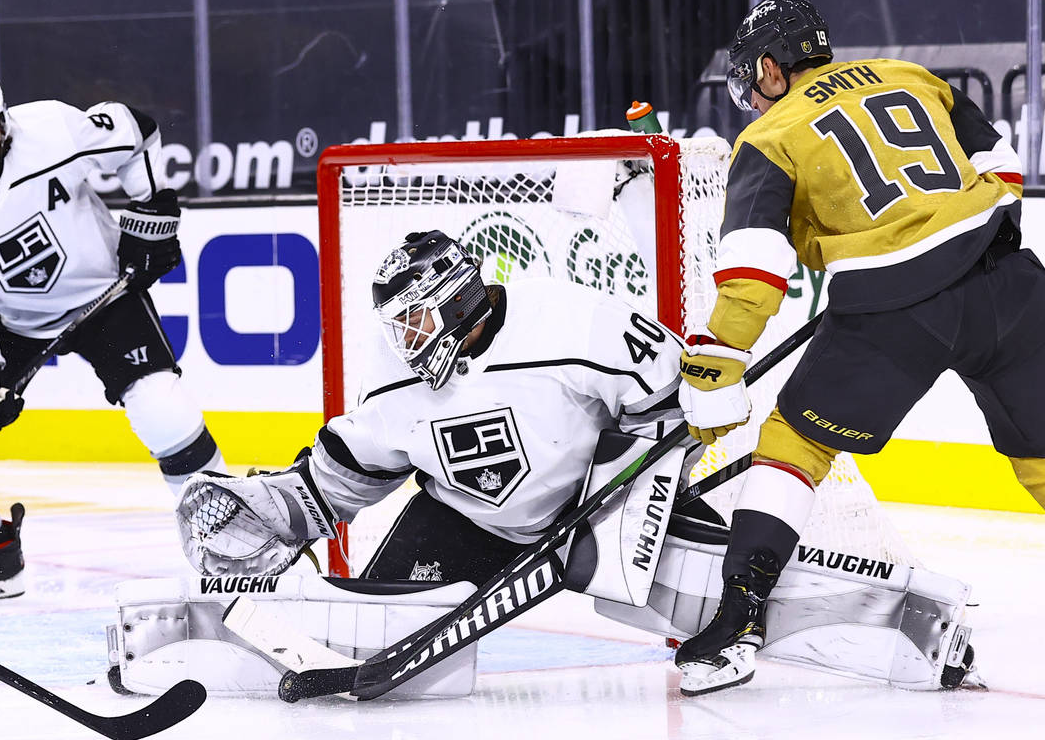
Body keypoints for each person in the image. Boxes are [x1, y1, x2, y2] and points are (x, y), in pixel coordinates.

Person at [673, 0, 1045, 694]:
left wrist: (714, 366)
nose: (752, 98)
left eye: (752, 83)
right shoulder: (913, 75)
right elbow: (1003, 166)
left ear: (769, 68)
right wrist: (960, 236)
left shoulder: (772, 133)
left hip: (893, 311)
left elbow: (755, 271)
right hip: (1009, 285)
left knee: (795, 442)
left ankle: (740, 616)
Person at [174, 229, 700, 585]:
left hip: (601, 514)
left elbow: (671, 402)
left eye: (414, 320)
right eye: (397, 326)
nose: (406, 342)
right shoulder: (396, 372)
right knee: (374, 640)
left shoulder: (573, 319)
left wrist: (624, 505)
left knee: (714, 602)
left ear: (458, 299)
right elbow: (360, 459)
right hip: (465, 520)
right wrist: (281, 503)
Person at [0, 62, 227, 603]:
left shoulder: (48, 130)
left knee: (165, 411)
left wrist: (151, 208)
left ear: (3, 121)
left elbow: (133, 130)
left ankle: (229, 542)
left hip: (104, 297)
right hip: (10, 320)